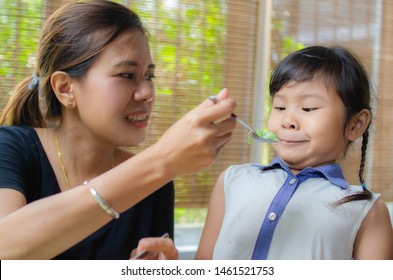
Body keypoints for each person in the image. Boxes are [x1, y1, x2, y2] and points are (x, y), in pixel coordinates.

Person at [0, 0, 236, 260]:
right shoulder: (12, 148)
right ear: (65, 88)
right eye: (126, 75)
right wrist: (160, 161)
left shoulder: (155, 185)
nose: (147, 93)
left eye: (149, 76)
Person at [196, 45, 393, 260]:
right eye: (279, 107)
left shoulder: (367, 211)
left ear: (356, 125)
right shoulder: (232, 181)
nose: (288, 121)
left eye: (308, 108)